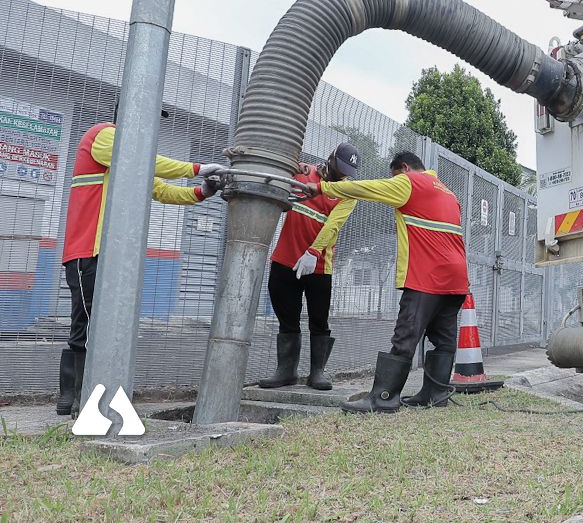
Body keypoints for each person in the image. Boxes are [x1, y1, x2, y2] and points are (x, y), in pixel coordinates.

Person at [57, 120, 223, 415]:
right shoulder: (103, 136)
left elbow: (163, 191)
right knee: (87, 325)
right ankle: (73, 397)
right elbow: (144, 161)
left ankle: (87, 397)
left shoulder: (132, 165)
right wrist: (196, 169)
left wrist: (203, 191)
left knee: (107, 324)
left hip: (114, 257)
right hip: (88, 252)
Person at [303, 150, 468, 413]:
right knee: (443, 338)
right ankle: (435, 394)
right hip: (457, 278)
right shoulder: (448, 192)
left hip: (427, 275)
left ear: (403, 168)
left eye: (393, 177)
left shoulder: (409, 182)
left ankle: (383, 397)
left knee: (405, 335)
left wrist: (322, 187)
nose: (392, 184)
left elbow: (366, 189)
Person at [258, 143, 360, 391]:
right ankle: (286, 372)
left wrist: (314, 252)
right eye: (340, 167)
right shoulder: (304, 173)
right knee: (287, 318)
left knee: (319, 320)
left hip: (319, 265)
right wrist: (295, 166)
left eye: (348, 171)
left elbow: (333, 225)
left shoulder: (348, 192)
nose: (343, 174)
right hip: (285, 259)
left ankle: (317, 373)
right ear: (331, 158)